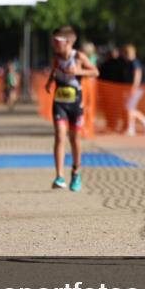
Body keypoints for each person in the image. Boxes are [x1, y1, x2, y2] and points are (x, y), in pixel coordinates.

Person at [45, 25, 99, 191]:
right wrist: (49, 82)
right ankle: (59, 176)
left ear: (68, 42)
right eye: (53, 41)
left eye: (57, 41)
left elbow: (95, 72)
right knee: (60, 136)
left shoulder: (78, 56)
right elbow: (54, 71)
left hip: (76, 103)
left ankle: (76, 172)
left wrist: (78, 70)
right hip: (59, 102)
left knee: (74, 138)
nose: (54, 44)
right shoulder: (56, 58)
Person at [122, 44, 145, 136]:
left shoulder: (134, 62)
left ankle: (133, 128)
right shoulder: (130, 63)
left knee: (129, 108)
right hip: (134, 88)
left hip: (137, 88)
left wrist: (134, 88)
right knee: (130, 108)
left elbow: (137, 75)